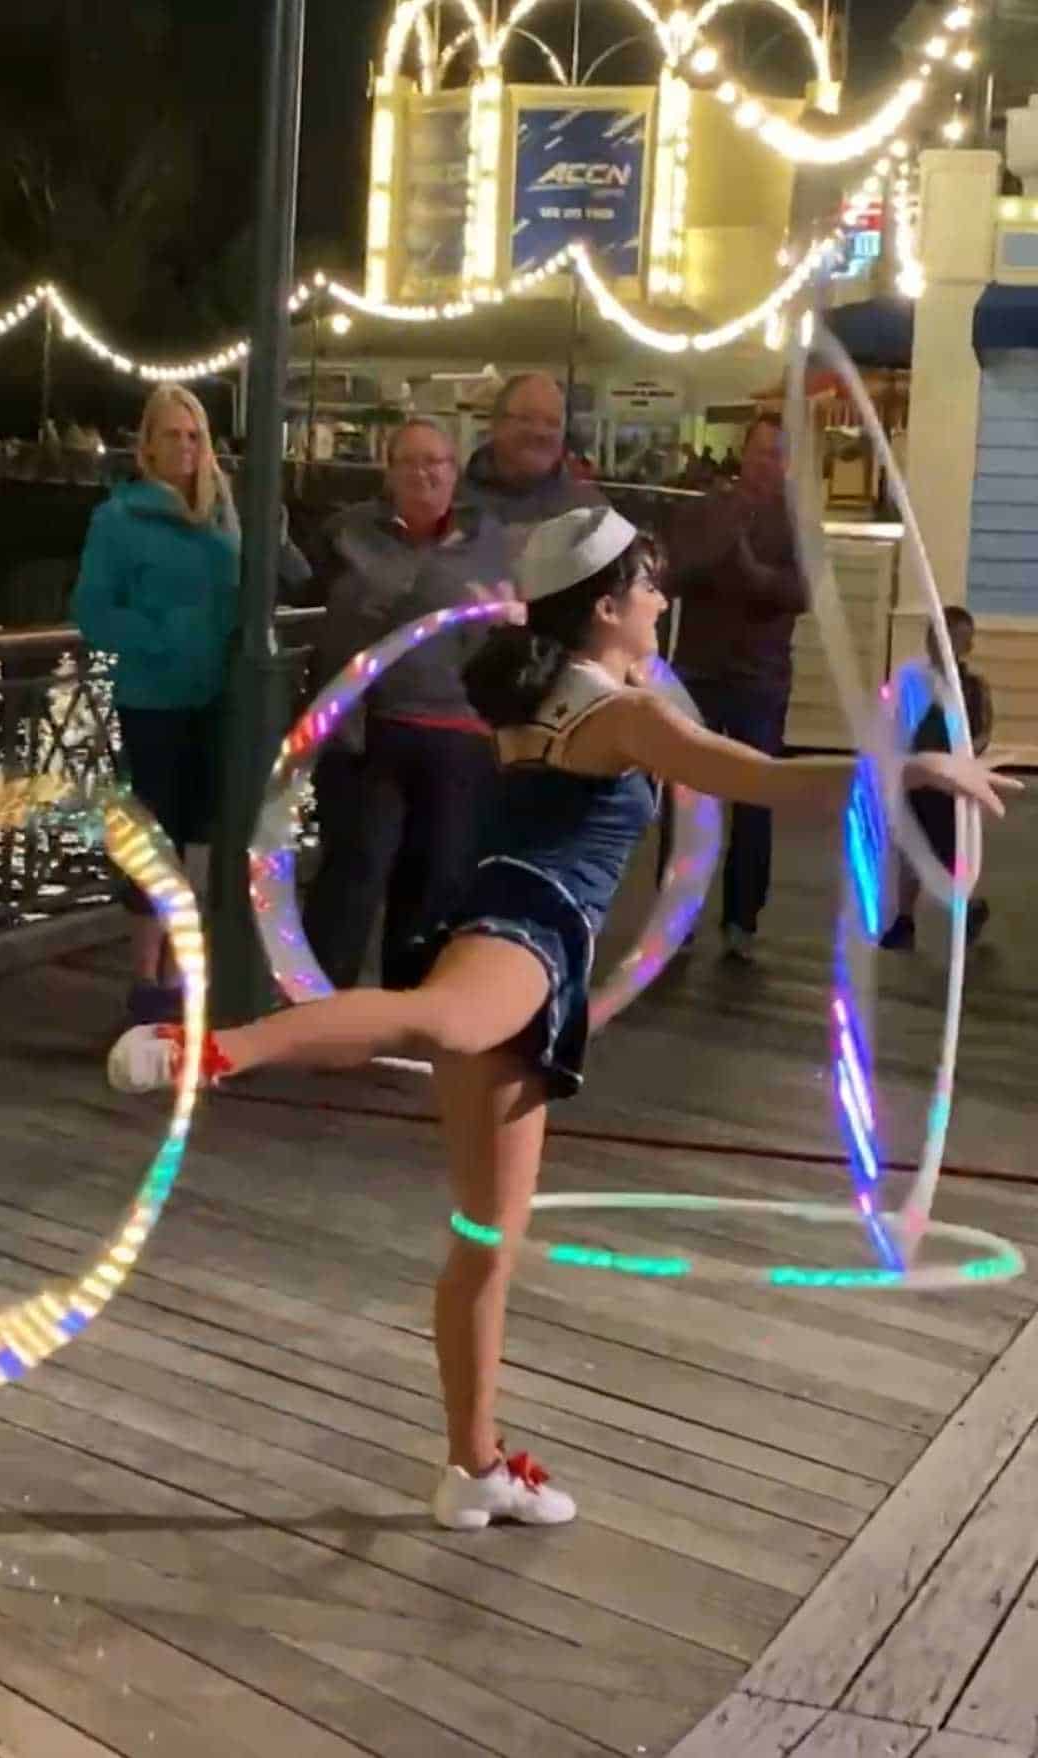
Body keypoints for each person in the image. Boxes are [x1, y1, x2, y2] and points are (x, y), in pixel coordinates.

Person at [105, 506, 1016, 1532]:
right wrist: (907, 772)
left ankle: (473, 1467)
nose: (666, 602)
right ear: (613, 605)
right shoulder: (618, 716)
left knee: (486, 1237)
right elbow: (754, 778)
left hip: (517, 929)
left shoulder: (554, 696)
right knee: (439, 1020)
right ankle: (212, 1049)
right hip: (527, 932)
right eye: (653, 586)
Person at [302, 418, 509, 987]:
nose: (424, 473)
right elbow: (300, 591)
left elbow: (516, 627)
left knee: (438, 879)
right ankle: (319, 1003)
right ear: (388, 472)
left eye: (437, 462)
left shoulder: (489, 540)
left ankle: (410, 1003)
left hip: (458, 732)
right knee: (354, 872)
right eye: (410, 461)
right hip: (369, 730)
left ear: (455, 472)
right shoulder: (346, 534)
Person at [73, 382, 241, 1026]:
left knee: (199, 839)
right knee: (154, 838)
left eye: (194, 434)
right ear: (146, 445)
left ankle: (180, 968)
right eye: (171, 434)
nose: (185, 446)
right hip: (153, 700)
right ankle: (145, 975)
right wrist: (162, 639)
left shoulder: (224, 513)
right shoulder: (119, 519)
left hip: (218, 699)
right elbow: (91, 611)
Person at [665, 413, 808, 960]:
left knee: (754, 797)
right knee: (687, 798)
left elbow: (799, 593)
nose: (766, 463)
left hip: (759, 682)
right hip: (698, 672)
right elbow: (672, 574)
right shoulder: (705, 508)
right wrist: (715, 545)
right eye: (759, 451)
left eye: (777, 453)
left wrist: (744, 561)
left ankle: (742, 920)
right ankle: (675, 917)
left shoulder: (798, 525)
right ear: (742, 454)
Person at [881, 606, 994, 952]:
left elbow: (983, 731)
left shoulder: (972, 689)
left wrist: (961, 759)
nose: (941, 645)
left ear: (966, 646)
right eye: (936, 636)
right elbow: (896, 721)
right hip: (916, 777)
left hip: (949, 782)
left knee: (948, 851)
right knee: (910, 845)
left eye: (952, 639)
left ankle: (967, 908)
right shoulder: (915, 684)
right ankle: (904, 920)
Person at [461, 373, 605, 544]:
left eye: (552, 423)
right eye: (525, 419)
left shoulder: (591, 513)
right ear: (496, 424)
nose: (540, 432)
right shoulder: (446, 504)